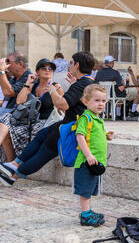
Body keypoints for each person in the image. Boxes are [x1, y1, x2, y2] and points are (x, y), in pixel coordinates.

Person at [0, 51, 96, 187]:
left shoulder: (82, 84)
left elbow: (63, 105)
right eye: (43, 68)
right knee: (41, 134)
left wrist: (51, 90)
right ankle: (14, 164)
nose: (70, 66)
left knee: (44, 152)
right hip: (66, 123)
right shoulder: (85, 83)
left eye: (71, 63)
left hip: (72, 127)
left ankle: (13, 176)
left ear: (77, 65)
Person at [0, 58, 64, 162]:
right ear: (37, 71)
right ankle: (9, 162)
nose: (48, 70)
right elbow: (19, 101)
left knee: (8, 126)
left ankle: (12, 163)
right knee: (6, 119)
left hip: (46, 122)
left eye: (50, 68)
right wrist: (27, 82)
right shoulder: (33, 86)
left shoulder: (56, 87)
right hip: (29, 121)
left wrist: (53, 92)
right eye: (44, 67)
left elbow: (63, 107)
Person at [75, 84, 114, 227]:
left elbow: (93, 136)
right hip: (86, 162)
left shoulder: (97, 118)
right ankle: (85, 216)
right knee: (85, 190)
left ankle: (88, 211)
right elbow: (80, 137)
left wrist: (105, 136)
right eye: (97, 100)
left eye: (103, 101)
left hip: (95, 163)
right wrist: (88, 155)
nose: (101, 104)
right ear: (86, 102)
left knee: (90, 188)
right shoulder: (86, 118)